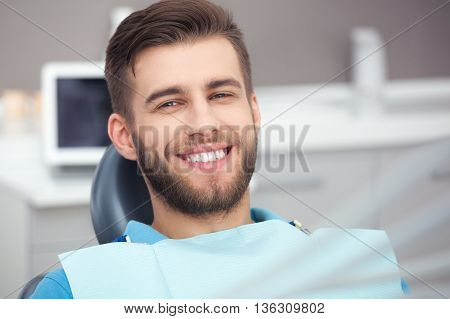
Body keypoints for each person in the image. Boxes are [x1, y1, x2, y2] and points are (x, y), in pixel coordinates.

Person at [31, 0, 406, 299]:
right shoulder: (76, 294)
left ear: (253, 110)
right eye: (170, 103)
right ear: (125, 136)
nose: (204, 123)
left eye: (221, 94)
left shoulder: (359, 269)